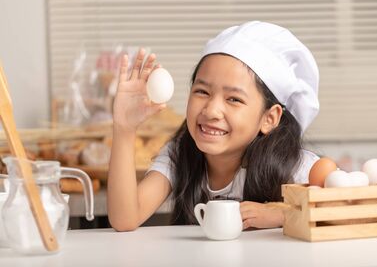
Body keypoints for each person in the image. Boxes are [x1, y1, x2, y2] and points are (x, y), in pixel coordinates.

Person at [107, 21, 320, 231]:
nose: (211, 110)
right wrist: (124, 129)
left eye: (234, 99)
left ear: (269, 118)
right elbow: (125, 219)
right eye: (202, 92)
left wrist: (283, 214)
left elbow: (347, 211)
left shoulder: (295, 166)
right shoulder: (180, 154)